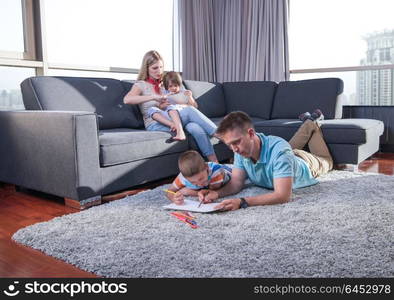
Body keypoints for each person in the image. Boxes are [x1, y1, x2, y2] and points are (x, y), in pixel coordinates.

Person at [198, 111, 333, 211]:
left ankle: (313, 123)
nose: (234, 150)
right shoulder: (241, 149)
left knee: (327, 161)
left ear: (251, 134)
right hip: (285, 155)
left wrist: (242, 201)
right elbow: (236, 183)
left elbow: (283, 196)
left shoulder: (280, 152)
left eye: (236, 142)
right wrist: (216, 193)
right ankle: (309, 122)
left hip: (306, 163)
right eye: (229, 145)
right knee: (287, 150)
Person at [123, 50, 219, 162]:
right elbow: (127, 99)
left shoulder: (167, 83)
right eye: (155, 68)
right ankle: (223, 135)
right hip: (156, 123)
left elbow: (183, 103)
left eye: (161, 67)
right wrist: (153, 97)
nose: (159, 71)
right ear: (146, 68)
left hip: (174, 117)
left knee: (195, 127)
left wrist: (174, 103)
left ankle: (215, 165)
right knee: (190, 111)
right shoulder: (141, 85)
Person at [165, 150, 232, 205]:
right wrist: (174, 198)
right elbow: (169, 191)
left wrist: (191, 192)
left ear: (206, 168)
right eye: (193, 182)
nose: (199, 184)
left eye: (201, 178)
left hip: (226, 171)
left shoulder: (216, 172)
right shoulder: (182, 177)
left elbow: (212, 192)